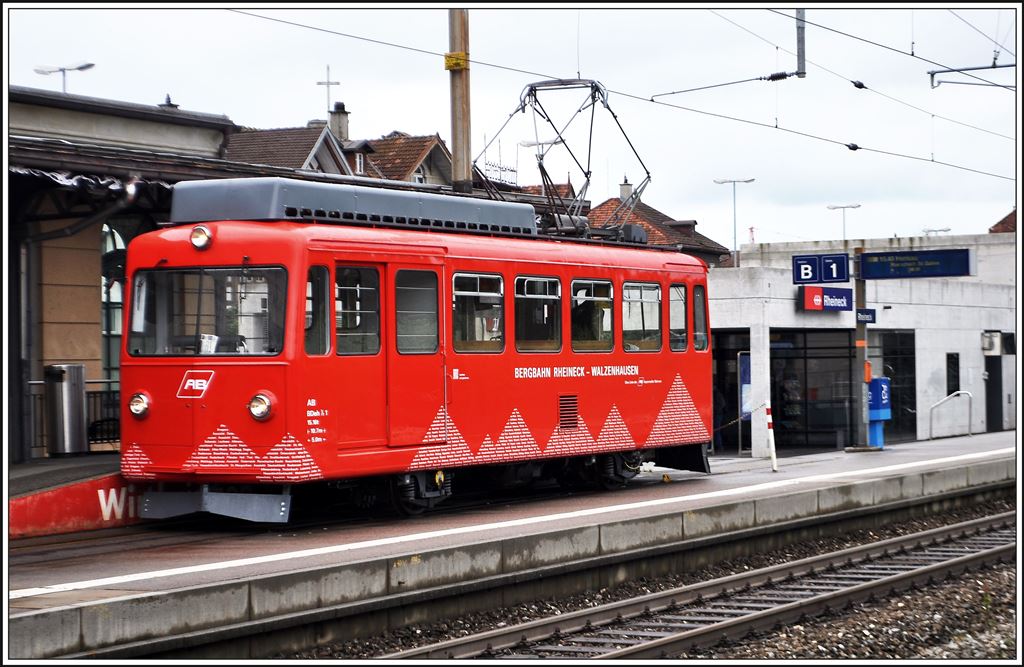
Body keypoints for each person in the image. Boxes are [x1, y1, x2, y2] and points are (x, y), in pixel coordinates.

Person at [712, 384, 726, 453]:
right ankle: (717, 446)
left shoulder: (717, 394)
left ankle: (719, 446)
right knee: (716, 431)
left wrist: (715, 409)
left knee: (716, 431)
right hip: (717, 414)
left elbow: (722, 404)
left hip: (717, 414)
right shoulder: (715, 394)